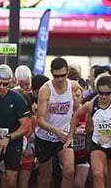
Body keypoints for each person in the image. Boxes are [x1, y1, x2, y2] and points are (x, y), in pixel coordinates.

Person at [67, 74, 111, 188]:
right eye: (101, 93)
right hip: (98, 143)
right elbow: (76, 116)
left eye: (107, 93)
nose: (104, 96)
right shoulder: (92, 104)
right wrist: (70, 137)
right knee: (98, 175)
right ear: (97, 91)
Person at [35, 57, 77, 188]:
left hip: (64, 136)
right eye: (56, 76)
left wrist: (70, 134)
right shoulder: (45, 90)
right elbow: (39, 120)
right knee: (46, 176)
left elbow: (76, 113)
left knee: (69, 171)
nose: (60, 79)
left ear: (68, 72)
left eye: (63, 75)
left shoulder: (73, 86)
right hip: (45, 136)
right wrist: (55, 131)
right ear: (51, 73)